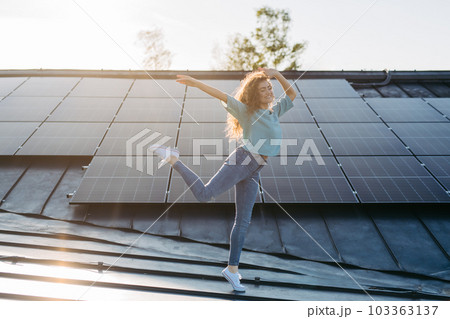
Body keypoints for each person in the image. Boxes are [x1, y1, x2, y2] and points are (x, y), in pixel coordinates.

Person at [150, 67, 297, 292]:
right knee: (205, 195)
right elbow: (220, 95)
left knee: (243, 221)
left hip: (255, 169)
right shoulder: (247, 111)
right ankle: (173, 159)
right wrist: (196, 83)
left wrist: (275, 74)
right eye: (263, 89)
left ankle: (232, 270)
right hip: (242, 160)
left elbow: (292, 94)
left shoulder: (274, 112)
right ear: (255, 95)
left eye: (270, 88)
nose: (268, 92)